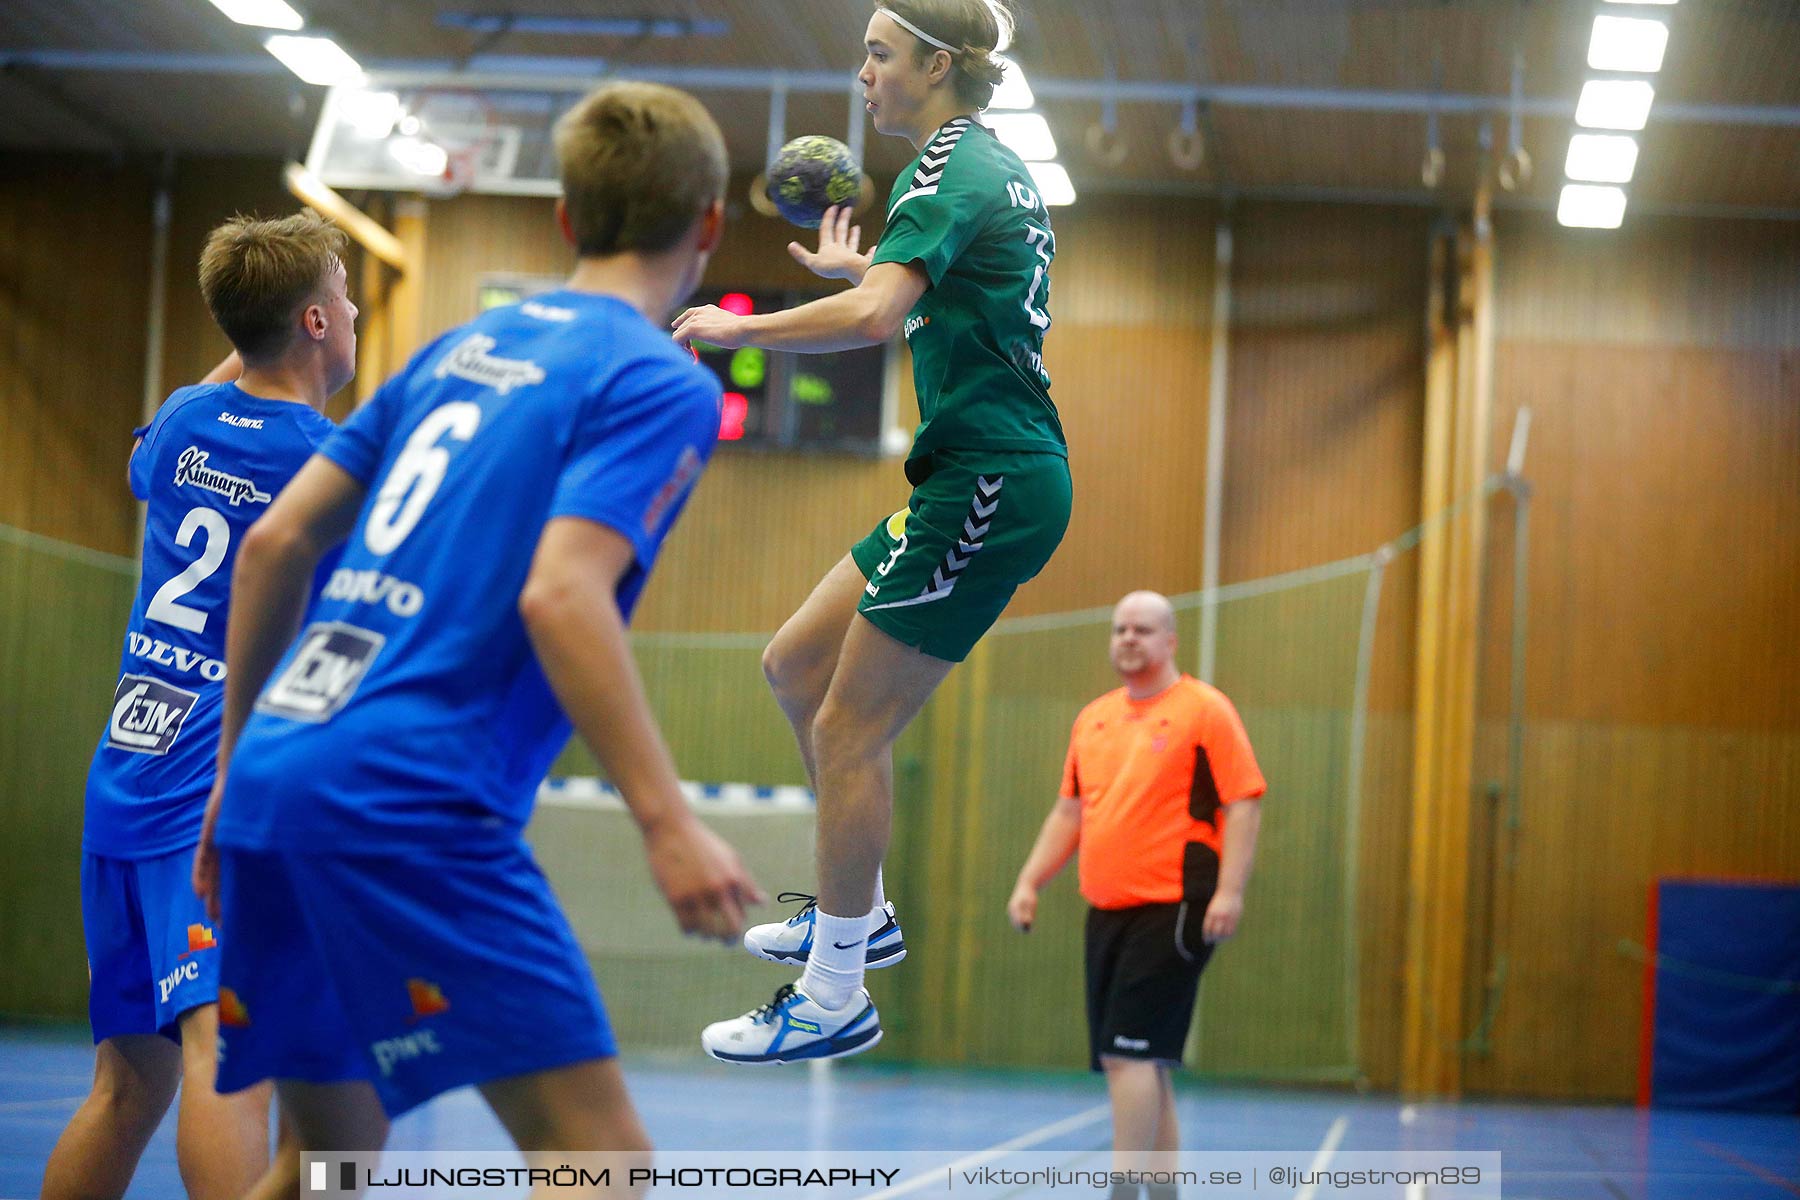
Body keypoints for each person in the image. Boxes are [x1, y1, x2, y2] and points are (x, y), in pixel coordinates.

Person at [189, 81, 762, 1198]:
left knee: (329, 1168)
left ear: (562, 219)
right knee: (599, 1161)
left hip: (273, 781)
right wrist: (667, 821)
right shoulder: (653, 379)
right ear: (708, 224)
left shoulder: (459, 346)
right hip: (411, 799)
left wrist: (228, 776)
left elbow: (271, 550)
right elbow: (561, 596)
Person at [679, 0, 1071, 1066]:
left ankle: (835, 991)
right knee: (794, 663)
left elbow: (874, 325)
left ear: (938, 65)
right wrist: (869, 273)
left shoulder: (950, 173)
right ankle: (865, 915)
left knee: (851, 731)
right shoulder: (972, 166)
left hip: (990, 479)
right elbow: (950, 302)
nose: (863, 76)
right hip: (965, 469)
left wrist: (738, 327)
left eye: (878, 55)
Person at [42, 212, 356, 1200]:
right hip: (205, 807)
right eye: (344, 295)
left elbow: (172, 436)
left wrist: (251, 325)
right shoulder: (326, 461)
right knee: (232, 1073)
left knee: (128, 1088)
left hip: (124, 786)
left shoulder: (180, 423)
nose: (353, 312)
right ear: (314, 321)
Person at [1007, 591, 1266, 1200]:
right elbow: (1069, 811)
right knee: (1142, 1059)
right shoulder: (1093, 719)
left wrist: (1230, 891)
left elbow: (1244, 801)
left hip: (1176, 904)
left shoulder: (1205, 711)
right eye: (1120, 628)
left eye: (1143, 630)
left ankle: (1123, 1190)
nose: (1128, 638)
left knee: (1128, 1055)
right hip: (1108, 909)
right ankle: (1162, 1192)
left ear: (1170, 641)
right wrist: (1029, 880)